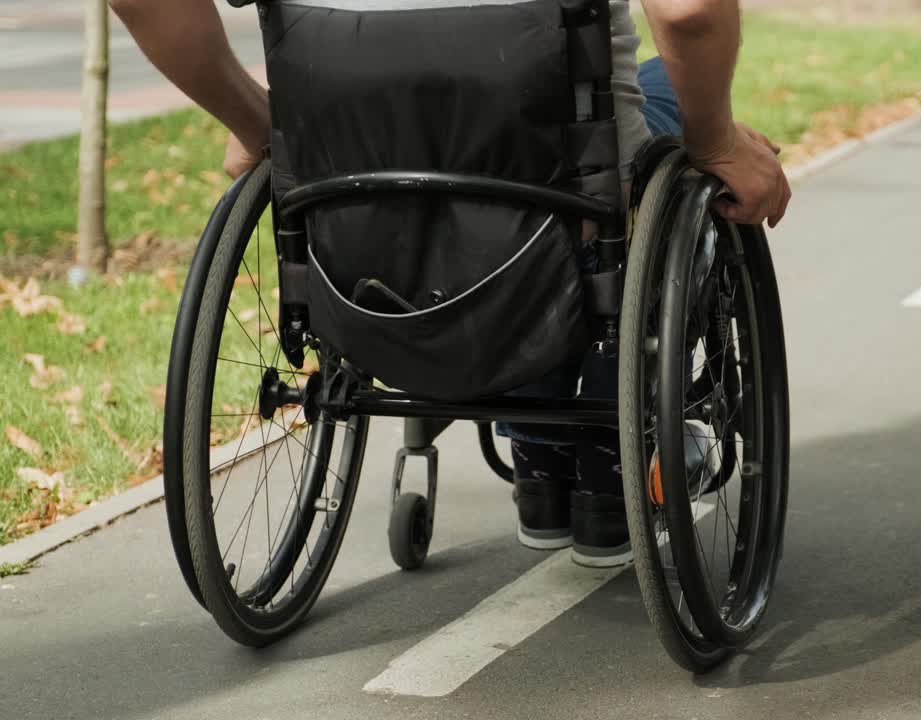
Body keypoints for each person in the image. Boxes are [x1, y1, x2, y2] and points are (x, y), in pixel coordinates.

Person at [110, 0, 790, 569]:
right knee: (669, 116)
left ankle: (542, 452)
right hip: (569, 214)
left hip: (351, 214)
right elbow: (691, 11)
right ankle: (605, 459)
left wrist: (264, 126)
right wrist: (717, 144)